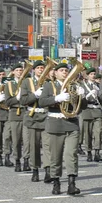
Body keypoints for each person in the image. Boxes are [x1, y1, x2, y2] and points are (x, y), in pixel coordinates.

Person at [38, 62, 86, 195]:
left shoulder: (75, 86)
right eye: (62, 70)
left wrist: (83, 96)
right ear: (56, 72)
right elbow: (42, 102)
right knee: (56, 155)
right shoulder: (49, 85)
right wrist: (57, 98)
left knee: (71, 154)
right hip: (55, 123)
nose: (65, 72)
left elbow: (82, 107)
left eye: (66, 70)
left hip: (71, 123)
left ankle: (72, 184)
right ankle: (56, 182)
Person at [19, 60, 51, 182]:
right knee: (34, 146)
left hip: (46, 117)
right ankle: (35, 169)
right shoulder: (27, 82)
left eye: (43, 68)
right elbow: (23, 100)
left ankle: (48, 170)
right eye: (38, 68)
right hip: (32, 118)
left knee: (48, 146)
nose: (41, 70)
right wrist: (35, 95)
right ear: (34, 70)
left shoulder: (48, 82)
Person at [4, 64, 26, 172]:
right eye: (17, 70)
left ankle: (27, 160)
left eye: (21, 70)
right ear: (13, 72)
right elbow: (7, 102)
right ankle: (17, 160)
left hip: (27, 113)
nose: (19, 72)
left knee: (27, 141)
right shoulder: (9, 84)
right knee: (16, 140)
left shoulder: (27, 82)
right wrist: (17, 98)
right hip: (15, 114)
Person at [80, 67, 102, 163]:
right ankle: (89, 152)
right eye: (91, 74)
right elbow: (81, 100)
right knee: (88, 133)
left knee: (98, 133)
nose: (93, 76)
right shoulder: (82, 86)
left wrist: (99, 95)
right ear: (87, 75)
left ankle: (97, 153)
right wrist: (88, 95)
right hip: (87, 110)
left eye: (94, 74)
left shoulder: (98, 85)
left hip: (97, 110)